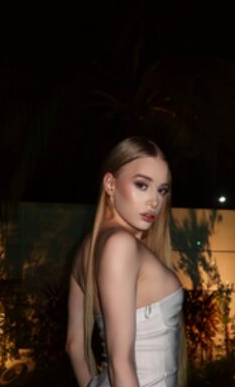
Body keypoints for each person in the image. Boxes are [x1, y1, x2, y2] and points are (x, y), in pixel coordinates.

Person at [66, 137, 185, 387]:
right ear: (110, 184)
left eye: (162, 190)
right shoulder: (121, 245)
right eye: (142, 185)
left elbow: (75, 346)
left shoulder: (85, 249)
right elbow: (120, 362)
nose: (155, 201)